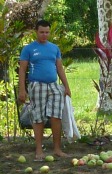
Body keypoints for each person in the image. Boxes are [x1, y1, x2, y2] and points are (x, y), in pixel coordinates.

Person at [18, 19, 71, 161]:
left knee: (56, 116)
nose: (44, 35)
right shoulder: (28, 49)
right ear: (36, 32)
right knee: (38, 116)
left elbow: (59, 67)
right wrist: (22, 90)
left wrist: (66, 86)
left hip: (53, 85)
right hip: (37, 85)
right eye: (41, 32)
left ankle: (57, 149)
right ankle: (39, 150)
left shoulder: (54, 48)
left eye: (47, 32)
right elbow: (22, 70)